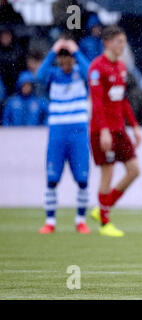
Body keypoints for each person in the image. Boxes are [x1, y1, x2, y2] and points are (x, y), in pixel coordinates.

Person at [88, 26, 141, 237]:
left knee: (134, 170)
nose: (123, 45)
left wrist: (135, 126)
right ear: (107, 42)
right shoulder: (96, 68)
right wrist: (103, 131)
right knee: (107, 174)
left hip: (119, 129)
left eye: (124, 41)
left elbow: (123, 99)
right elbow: (97, 103)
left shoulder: (121, 67)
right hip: (103, 130)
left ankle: (103, 208)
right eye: (119, 41)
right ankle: (104, 223)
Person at [35, 38, 91, 234]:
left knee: (82, 179)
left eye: (68, 58)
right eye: (62, 57)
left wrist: (76, 51)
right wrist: (52, 51)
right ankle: (50, 221)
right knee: (52, 178)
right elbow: (39, 77)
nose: (65, 62)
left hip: (78, 133)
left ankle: (80, 220)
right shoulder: (53, 75)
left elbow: (91, 73)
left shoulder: (80, 74)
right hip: (57, 134)